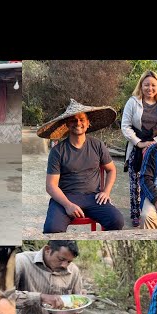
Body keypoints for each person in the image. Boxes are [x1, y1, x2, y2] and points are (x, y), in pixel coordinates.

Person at [37, 99, 124, 233]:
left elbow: (111, 169)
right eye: (73, 120)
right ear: (67, 124)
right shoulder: (58, 151)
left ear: (88, 123)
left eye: (82, 119)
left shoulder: (97, 145)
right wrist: (68, 205)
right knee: (51, 229)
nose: (78, 123)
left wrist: (106, 192)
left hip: (94, 197)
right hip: (66, 197)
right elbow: (51, 185)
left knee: (117, 221)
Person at [121, 71, 157, 227]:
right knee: (135, 182)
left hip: (156, 148)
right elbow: (125, 126)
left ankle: (148, 211)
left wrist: (154, 142)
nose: (150, 88)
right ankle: (135, 213)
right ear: (141, 85)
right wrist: (139, 143)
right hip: (136, 148)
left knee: (151, 180)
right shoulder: (133, 102)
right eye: (147, 84)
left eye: (153, 85)